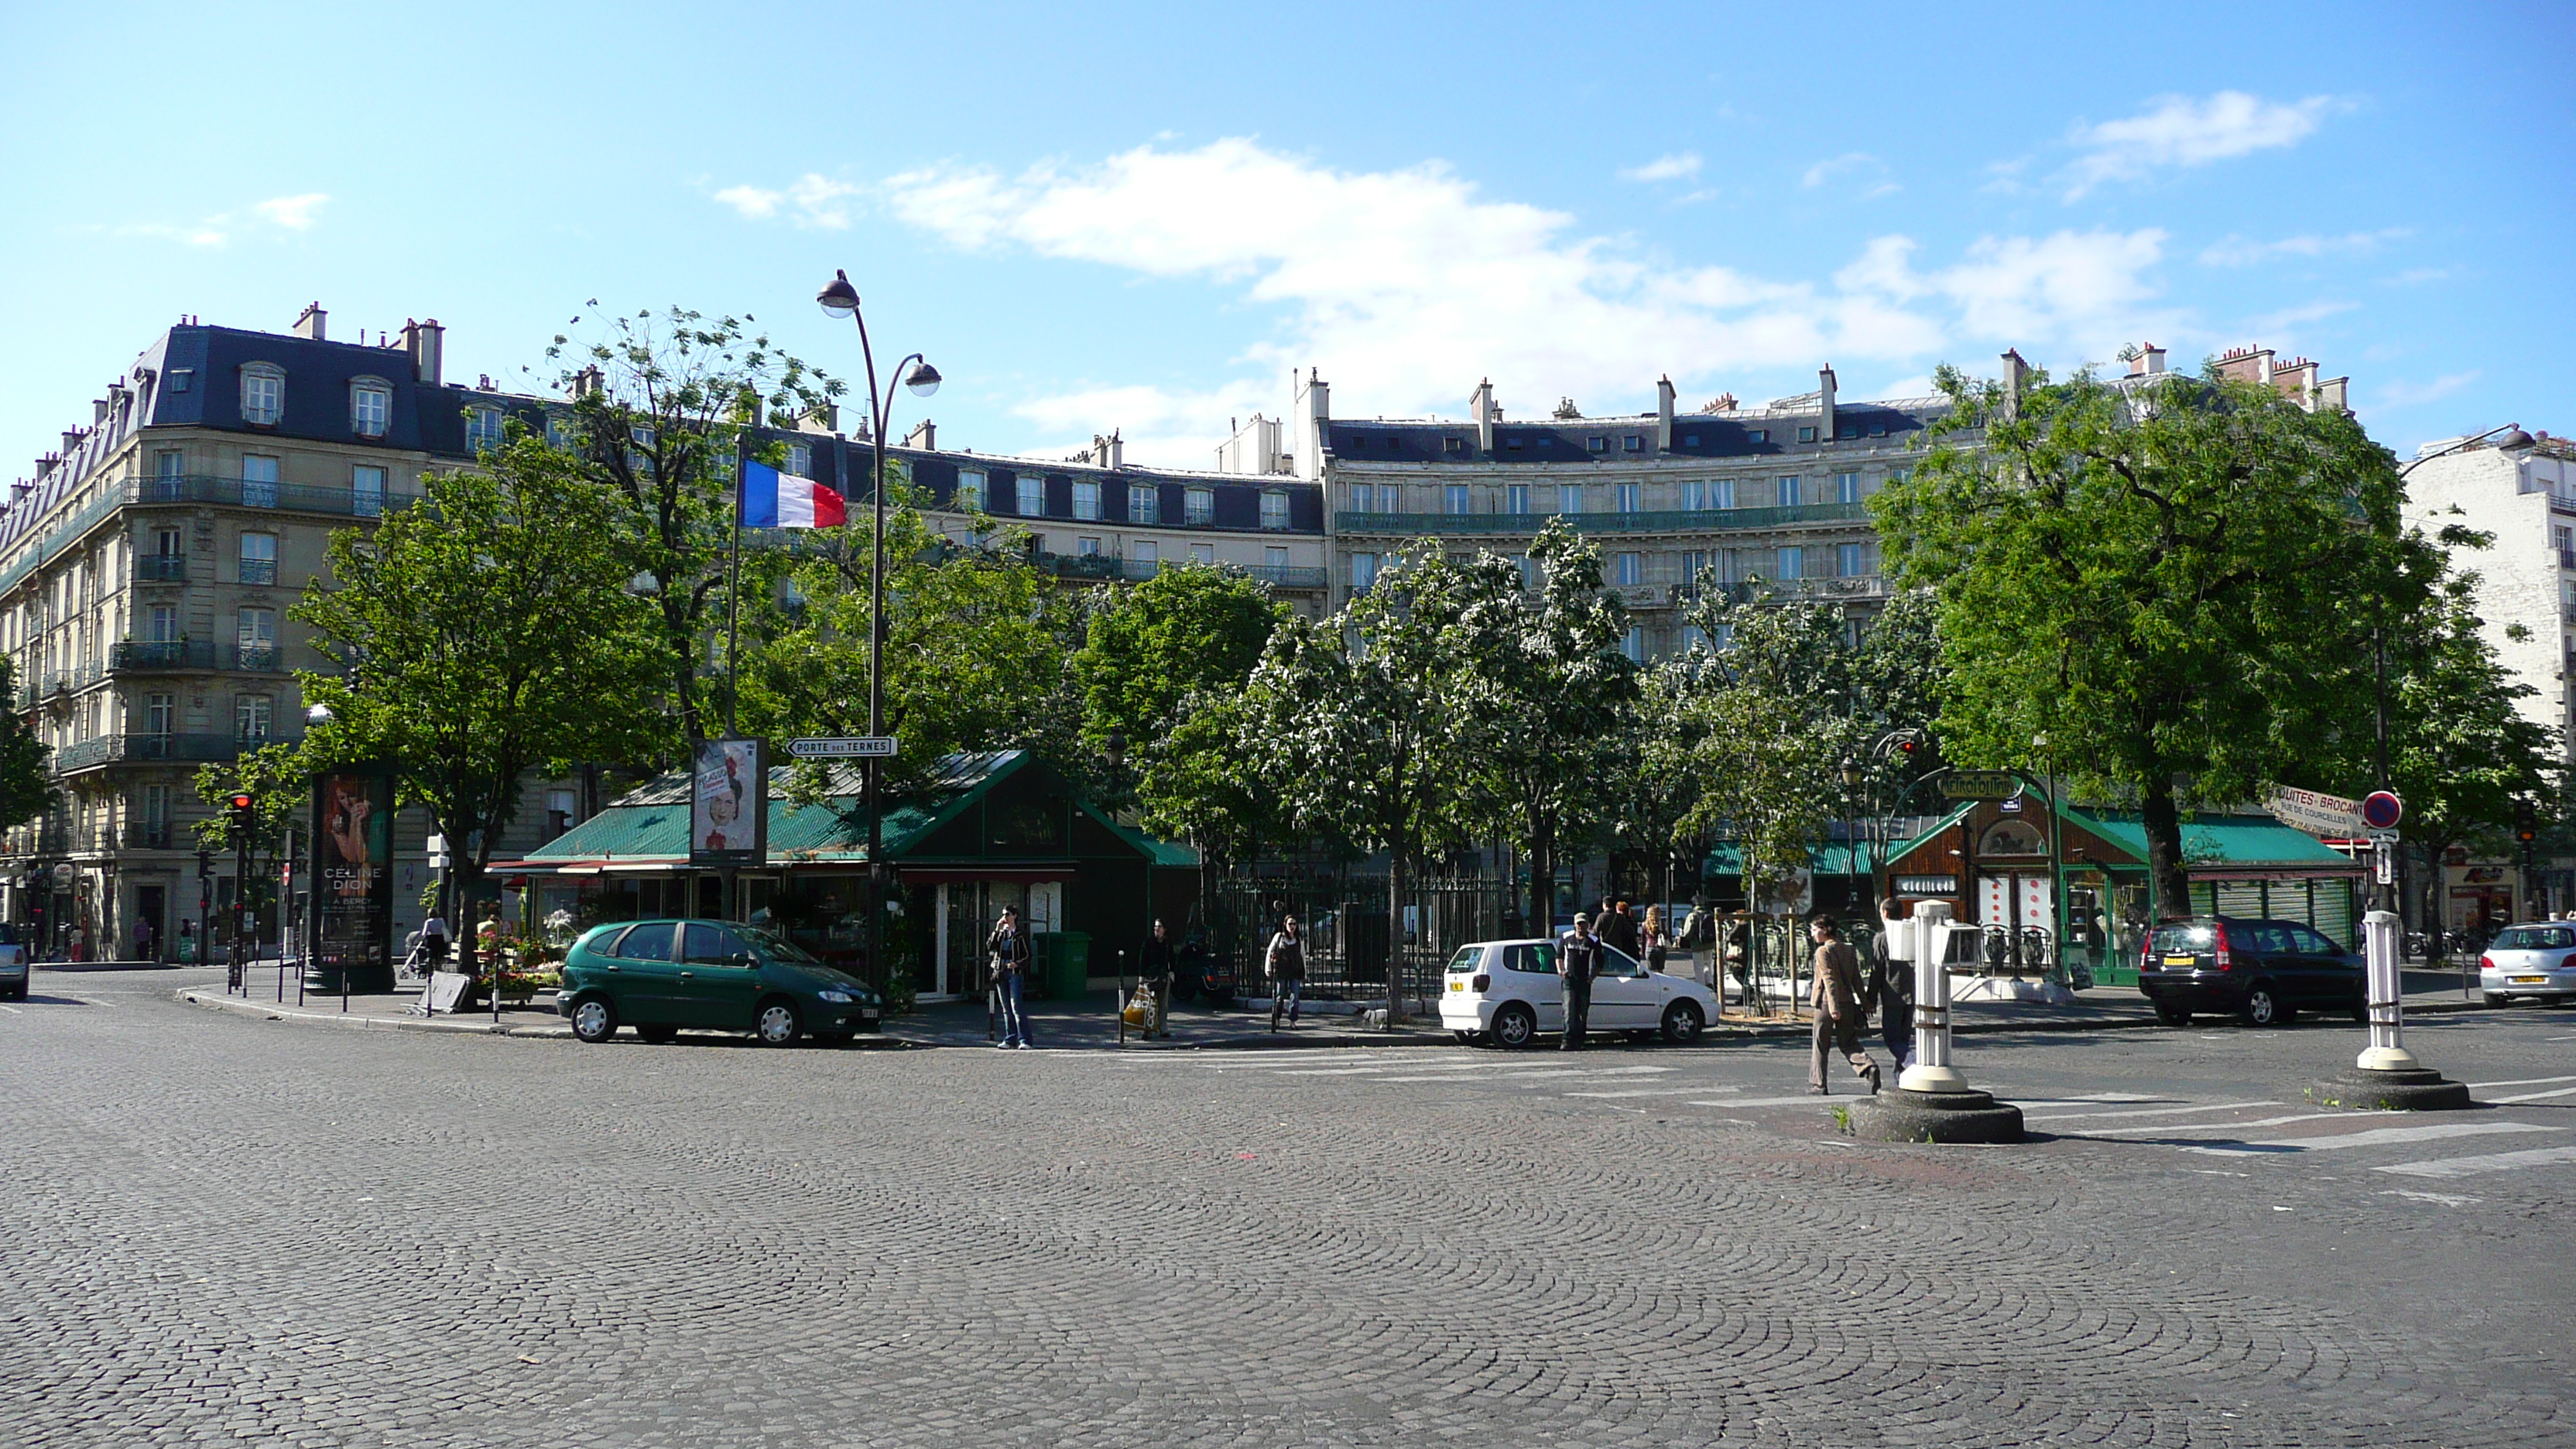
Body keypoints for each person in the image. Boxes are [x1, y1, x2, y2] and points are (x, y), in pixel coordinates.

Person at [1808, 913, 1881, 1094]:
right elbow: (1857, 979)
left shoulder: (1822, 952)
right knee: (1849, 1043)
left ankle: (1820, 1084)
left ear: (1825, 930)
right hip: (1848, 1002)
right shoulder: (1849, 950)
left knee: (1820, 1045)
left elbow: (1829, 980)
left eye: (1814, 930)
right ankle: (1868, 1067)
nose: (1812, 935)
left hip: (1826, 1004)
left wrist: (1834, 1008)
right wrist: (1865, 1003)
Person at [1869, 897, 1916, 1074]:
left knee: (1891, 1038)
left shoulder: (1882, 938)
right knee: (1902, 1040)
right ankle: (1901, 1079)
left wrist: (1871, 999)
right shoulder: (1912, 933)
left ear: (1885, 913)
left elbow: (1877, 970)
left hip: (1892, 994)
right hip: (1911, 993)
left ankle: (1910, 1061)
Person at [987, 906, 1036, 1049]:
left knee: (1016, 1006)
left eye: (1007, 915)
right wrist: (997, 929)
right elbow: (990, 946)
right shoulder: (1002, 934)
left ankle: (1025, 1039)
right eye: (1003, 915)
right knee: (1006, 1007)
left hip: (1014, 973)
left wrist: (1017, 964)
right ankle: (1010, 1039)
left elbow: (1028, 955)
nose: (1005, 918)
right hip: (1001, 971)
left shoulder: (1021, 934)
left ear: (1014, 916)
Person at [1558, 912, 1603, 1050]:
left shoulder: (1593, 941)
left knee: (1582, 1012)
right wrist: (1561, 971)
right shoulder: (1566, 938)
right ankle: (1567, 1040)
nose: (1581, 927)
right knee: (1569, 1010)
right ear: (1575, 925)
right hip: (1569, 980)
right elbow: (1559, 956)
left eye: (1583, 924)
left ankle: (1580, 1040)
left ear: (1588, 925)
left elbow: (1600, 962)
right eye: (1578, 924)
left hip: (1584, 981)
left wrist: (1592, 978)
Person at [1265, 915, 1307, 1030]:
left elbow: (1302, 955)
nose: (1292, 926)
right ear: (1285, 925)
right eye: (1290, 924)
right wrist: (1268, 968)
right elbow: (1270, 952)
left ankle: (1293, 1021)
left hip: (1295, 971)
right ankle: (1277, 1019)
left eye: (1294, 924)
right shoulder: (1279, 937)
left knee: (1295, 996)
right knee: (1280, 996)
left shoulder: (1299, 939)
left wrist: (1305, 973)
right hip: (1281, 971)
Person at [1139, 919, 1175, 1040]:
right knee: (1149, 1004)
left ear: (1164, 929)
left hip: (1163, 977)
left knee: (1163, 1004)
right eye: (1155, 927)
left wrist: (1172, 972)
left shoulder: (1167, 943)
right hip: (1150, 977)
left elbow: (1171, 958)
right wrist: (1141, 976)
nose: (1157, 929)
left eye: (1159, 927)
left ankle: (1163, 1028)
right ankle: (1147, 1031)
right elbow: (1142, 960)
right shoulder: (1148, 942)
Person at [1641, 905, 1670, 976]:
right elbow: (1666, 936)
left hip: (1649, 947)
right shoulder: (1661, 923)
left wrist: (1642, 950)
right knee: (1660, 971)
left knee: (1652, 971)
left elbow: (1643, 939)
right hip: (1660, 948)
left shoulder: (1645, 924)